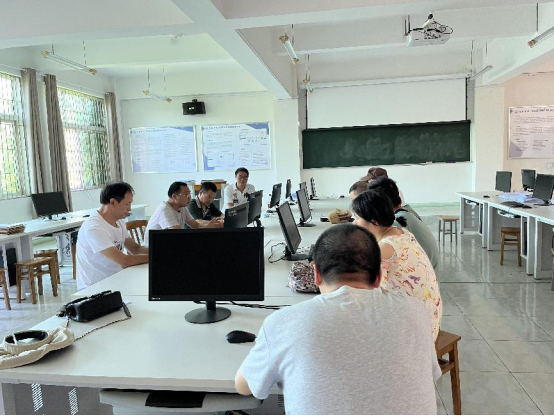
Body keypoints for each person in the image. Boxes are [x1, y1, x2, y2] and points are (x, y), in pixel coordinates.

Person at [235, 224, 441, 415]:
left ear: (316, 274)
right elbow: (430, 375)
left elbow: (245, 387)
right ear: (379, 276)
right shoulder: (416, 311)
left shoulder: (283, 323)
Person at [351, 190, 442, 342]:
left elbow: (362, 287)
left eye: (357, 218)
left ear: (374, 221)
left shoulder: (385, 249)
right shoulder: (401, 232)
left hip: (419, 332)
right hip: (430, 318)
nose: (354, 223)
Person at [76, 182, 148, 290]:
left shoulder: (118, 222)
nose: (129, 209)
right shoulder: (94, 227)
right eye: (127, 204)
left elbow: (136, 249)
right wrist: (155, 258)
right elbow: (124, 261)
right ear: (113, 202)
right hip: (95, 289)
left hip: (116, 280)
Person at [368, 177, 439, 270]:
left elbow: (376, 254)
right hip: (429, 271)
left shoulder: (396, 222)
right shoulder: (406, 211)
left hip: (424, 273)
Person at [144, 182, 222, 246]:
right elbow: (178, 234)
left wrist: (208, 226)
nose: (189, 197)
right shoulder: (165, 210)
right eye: (186, 195)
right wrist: (207, 227)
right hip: (153, 249)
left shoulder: (182, 208)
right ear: (175, 197)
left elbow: (196, 225)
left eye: (189, 194)